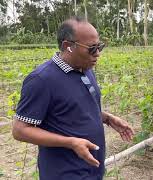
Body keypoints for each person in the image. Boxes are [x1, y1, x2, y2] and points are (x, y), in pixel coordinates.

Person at [12, 16, 134, 180]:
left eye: (99, 47)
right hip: (65, 172)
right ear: (67, 46)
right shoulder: (42, 80)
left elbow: (76, 107)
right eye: (91, 48)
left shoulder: (85, 70)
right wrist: (71, 142)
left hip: (92, 167)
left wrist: (107, 118)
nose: (97, 54)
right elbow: (20, 130)